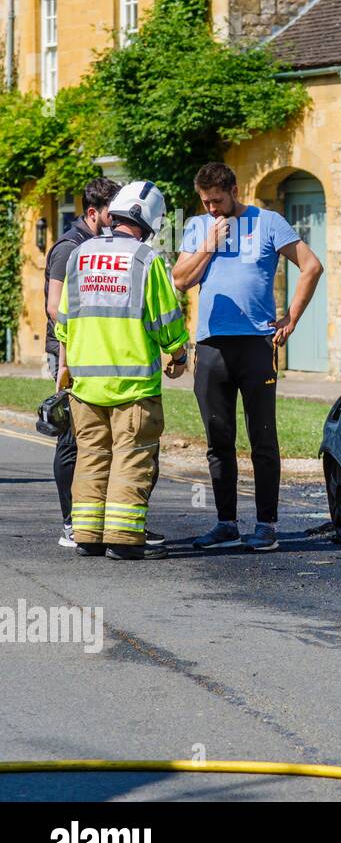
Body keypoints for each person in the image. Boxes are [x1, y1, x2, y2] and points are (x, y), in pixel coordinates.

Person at [173, 162, 323, 553]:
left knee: (263, 438)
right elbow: (180, 279)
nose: (212, 209)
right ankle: (225, 524)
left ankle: (266, 525)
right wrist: (209, 242)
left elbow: (312, 265)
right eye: (205, 202)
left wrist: (290, 318)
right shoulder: (196, 226)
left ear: (234, 191)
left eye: (217, 201)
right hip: (211, 346)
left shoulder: (268, 222)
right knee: (218, 439)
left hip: (257, 345)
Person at [55, 181, 190, 560]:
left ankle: (86, 534)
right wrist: (179, 355)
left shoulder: (79, 256)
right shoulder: (146, 260)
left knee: (92, 456)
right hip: (132, 386)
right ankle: (124, 538)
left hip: (85, 384)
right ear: (150, 223)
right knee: (133, 456)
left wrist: (65, 368)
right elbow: (166, 322)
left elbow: (64, 320)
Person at [43, 177, 118, 547]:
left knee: (94, 439)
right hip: (68, 353)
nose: (118, 221)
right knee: (72, 440)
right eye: (111, 214)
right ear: (93, 213)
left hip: (93, 353)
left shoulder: (101, 247)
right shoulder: (69, 249)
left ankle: (95, 520)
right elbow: (55, 309)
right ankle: (73, 523)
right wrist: (65, 362)